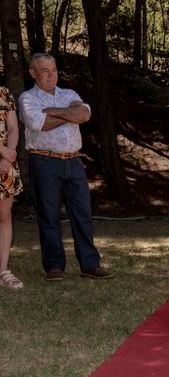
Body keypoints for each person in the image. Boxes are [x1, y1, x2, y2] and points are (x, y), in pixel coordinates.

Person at [18, 53, 112, 281]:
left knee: (83, 215)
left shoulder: (68, 94)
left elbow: (84, 114)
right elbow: (39, 123)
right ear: (33, 73)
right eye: (45, 71)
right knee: (49, 215)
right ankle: (54, 267)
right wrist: (69, 114)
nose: (52, 75)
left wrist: (55, 111)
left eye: (54, 70)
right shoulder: (27, 98)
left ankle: (89, 265)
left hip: (73, 161)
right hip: (44, 161)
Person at [0, 87, 24, 290]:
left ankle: (3, 271)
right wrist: (3, 151)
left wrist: (9, 156)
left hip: (5, 165)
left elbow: (14, 128)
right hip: (4, 156)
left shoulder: (4, 93)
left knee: (4, 216)